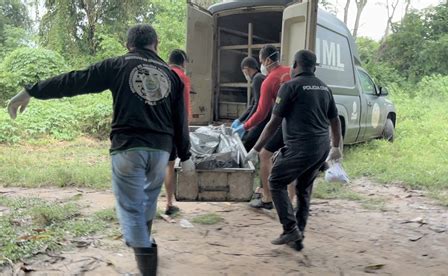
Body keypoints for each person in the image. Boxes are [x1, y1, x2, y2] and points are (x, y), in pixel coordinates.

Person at [7, 24, 195, 275]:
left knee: (130, 209)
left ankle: (147, 261)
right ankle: (145, 256)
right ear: (156, 44)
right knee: (147, 205)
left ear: (128, 45)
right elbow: (179, 119)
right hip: (160, 152)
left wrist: (32, 90)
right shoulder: (171, 76)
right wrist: (186, 154)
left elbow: (74, 80)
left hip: (128, 148)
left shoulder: (117, 65)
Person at [245, 50, 343, 251]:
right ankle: (298, 237)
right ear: (314, 67)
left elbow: (273, 123)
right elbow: (335, 120)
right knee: (303, 189)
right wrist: (335, 146)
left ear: (295, 65)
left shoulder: (289, 87)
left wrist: (255, 148)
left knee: (276, 181)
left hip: (302, 147)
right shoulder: (325, 88)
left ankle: (290, 229)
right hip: (321, 147)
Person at [233, 45, 291, 210]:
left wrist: (245, 125)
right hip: (300, 124)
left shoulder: (268, 80)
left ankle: (267, 198)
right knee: (292, 159)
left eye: (261, 61)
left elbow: (261, 111)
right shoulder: (291, 72)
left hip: (282, 123)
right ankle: (293, 202)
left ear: (266, 60)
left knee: (264, 155)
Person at [164, 49, 192, 216]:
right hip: (173, 126)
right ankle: (169, 203)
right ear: (183, 62)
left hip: (157, 126)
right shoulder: (181, 77)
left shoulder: (162, 74)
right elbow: (184, 108)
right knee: (169, 165)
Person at [231, 56, 266, 151]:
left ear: (246, 69)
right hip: (263, 116)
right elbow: (252, 105)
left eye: (243, 72)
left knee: (246, 143)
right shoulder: (259, 78)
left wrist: (246, 124)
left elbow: (257, 104)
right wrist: (240, 120)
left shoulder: (257, 79)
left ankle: (249, 164)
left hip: (263, 118)